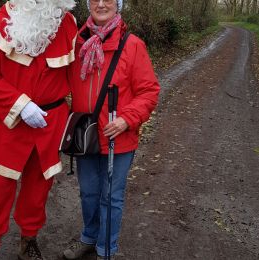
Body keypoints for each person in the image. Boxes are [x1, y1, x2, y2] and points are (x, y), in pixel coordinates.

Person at [0, 0, 77, 259]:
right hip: (7, 122)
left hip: (49, 123)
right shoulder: (0, 23)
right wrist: (20, 105)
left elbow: (80, 76)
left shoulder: (68, 24)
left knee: (38, 189)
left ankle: (28, 241)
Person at [63, 0, 160, 259]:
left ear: (118, 6)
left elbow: (149, 91)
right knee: (88, 193)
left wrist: (127, 119)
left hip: (118, 137)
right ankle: (89, 237)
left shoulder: (132, 45)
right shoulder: (77, 43)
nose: (101, 4)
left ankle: (106, 249)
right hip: (86, 135)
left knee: (111, 197)